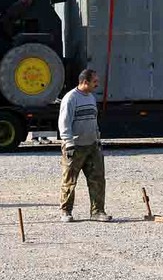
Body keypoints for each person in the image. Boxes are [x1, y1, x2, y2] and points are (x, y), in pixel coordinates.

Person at [58, 69, 111, 222]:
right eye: (94, 81)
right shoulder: (70, 98)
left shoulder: (91, 98)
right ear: (85, 82)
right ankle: (66, 212)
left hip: (92, 146)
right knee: (69, 181)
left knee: (98, 179)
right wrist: (68, 143)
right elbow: (64, 122)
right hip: (75, 147)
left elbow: (93, 120)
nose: (97, 83)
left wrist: (98, 139)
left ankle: (97, 211)